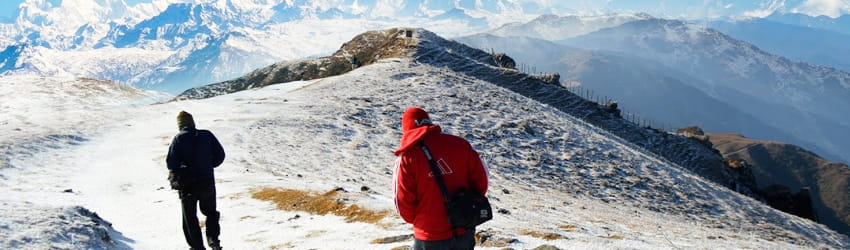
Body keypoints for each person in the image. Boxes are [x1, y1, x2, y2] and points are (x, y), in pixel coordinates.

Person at [393, 107, 489, 250]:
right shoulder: (461, 144)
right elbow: (482, 183)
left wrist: (422, 220)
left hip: (429, 234)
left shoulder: (408, 157)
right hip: (463, 228)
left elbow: (402, 201)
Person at [166, 111, 226, 250]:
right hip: (207, 181)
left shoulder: (178, 139)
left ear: (180, 125)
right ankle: (214, 241)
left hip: (187, 185)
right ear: (192, 122)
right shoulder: (206, 135)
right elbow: (220, 155)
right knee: (211, 212)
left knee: (190, 217)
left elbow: (171, 163)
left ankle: (197, 247)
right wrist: (208, 166)